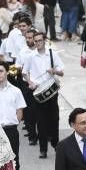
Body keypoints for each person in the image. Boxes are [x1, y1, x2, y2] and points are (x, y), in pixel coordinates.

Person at [23, 31, 64, 159]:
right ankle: (43, 149)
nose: (38, 43)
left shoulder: (52, 54)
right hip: (38, 92)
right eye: (36, 41)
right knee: (41, 121)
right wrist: (30, 82)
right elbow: (24, 73)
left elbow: (61, 72)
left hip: (52, 92)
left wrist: (54, 71)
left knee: (54, 118)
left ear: (44, 40)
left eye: (40, 40)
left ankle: (56, 143)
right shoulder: (31, 56)